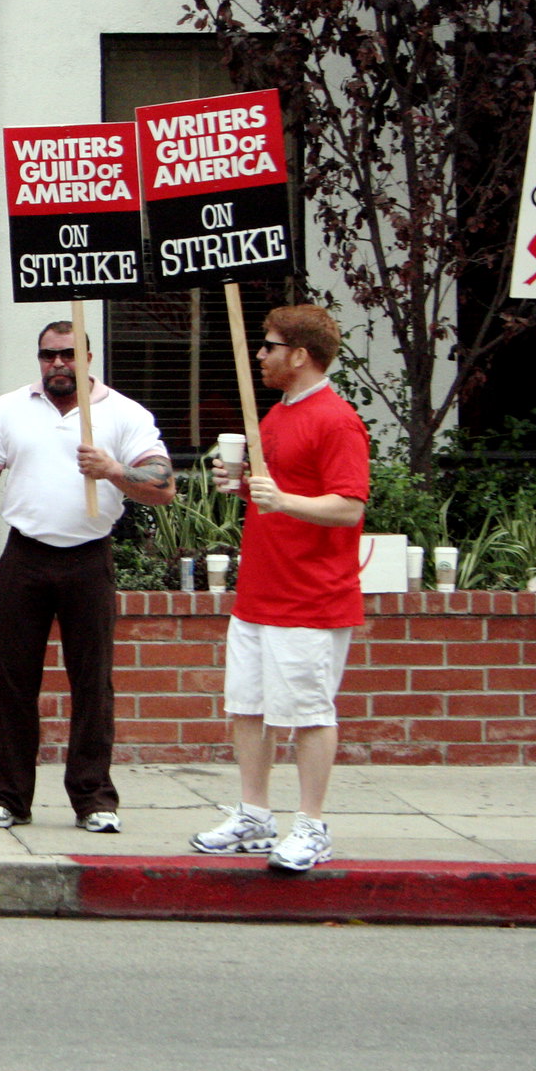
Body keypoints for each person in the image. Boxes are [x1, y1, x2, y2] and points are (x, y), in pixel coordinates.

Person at [0, 320, 174, 835]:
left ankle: (94, 798)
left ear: (89, 357)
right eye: (48, 355)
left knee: (93, 684)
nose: (57, 364)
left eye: (68, 354)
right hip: (25, 556)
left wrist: (114, 470)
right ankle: (7, 797)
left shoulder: (124, 414)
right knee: (12, 681)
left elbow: (163, 484)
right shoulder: (6, 410)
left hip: (89, 558)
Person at [191, 305, 369, 871]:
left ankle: (312, 826)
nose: (261, 356)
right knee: (248, 707)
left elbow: (349, 506)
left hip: (311, 598)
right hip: (260, 593)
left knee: (310, 713)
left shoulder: (336, 419)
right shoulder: (275, 416)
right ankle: (254, 815)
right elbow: (278, 493)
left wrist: (281, 500)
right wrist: (244, 487)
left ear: (300, 355)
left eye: (268, 347)